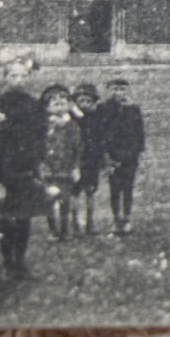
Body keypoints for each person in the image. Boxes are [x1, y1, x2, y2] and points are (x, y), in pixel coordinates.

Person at [0, 59, 46, 281]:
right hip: (5, 168)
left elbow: (39, 135)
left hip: (26, 167)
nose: (18, 80)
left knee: (24, 216)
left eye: (23, 76)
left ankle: (20, 261)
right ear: (5, 78)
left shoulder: (34, 104)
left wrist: (37, 162)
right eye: (13, 75)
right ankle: (6, 260)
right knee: (6, 216)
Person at [101, 78, 146, 236]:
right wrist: (106, 153)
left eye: (122, 89)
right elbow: (101, 132)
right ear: (109, 91)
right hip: (113, 154)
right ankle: (116, 219)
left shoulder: (133, 109)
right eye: (115, 89)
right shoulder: (105, 108)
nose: (119, 93)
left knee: (128, 187)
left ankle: (127, 218)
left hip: (130, 154)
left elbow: (140, 132)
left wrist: (138, 151)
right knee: (114, 188)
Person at [40, 85, 80, 240]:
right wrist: (42, 165)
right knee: (49, 200)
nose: (59, 107)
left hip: (66, 168)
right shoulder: (45, 126)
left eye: (63, 103)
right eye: (55, 104)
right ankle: (52, 230)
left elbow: (78, 148)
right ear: (48, 107)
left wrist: (76, 167)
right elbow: (40, 146)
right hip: (49, 168)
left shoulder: (73, 126)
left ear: (69, 106)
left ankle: (65, 230)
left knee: (65, 201)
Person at [71, 83, 105, 236]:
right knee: (75, 192)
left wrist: (101, 157)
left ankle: (90, 223)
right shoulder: (72, 118)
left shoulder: (96, 117)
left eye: (88, 101)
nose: (84, 104)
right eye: (81, 100)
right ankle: (75, 223)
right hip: (76, 161)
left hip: (92, 160)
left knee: (90, 191)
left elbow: (100, 138)